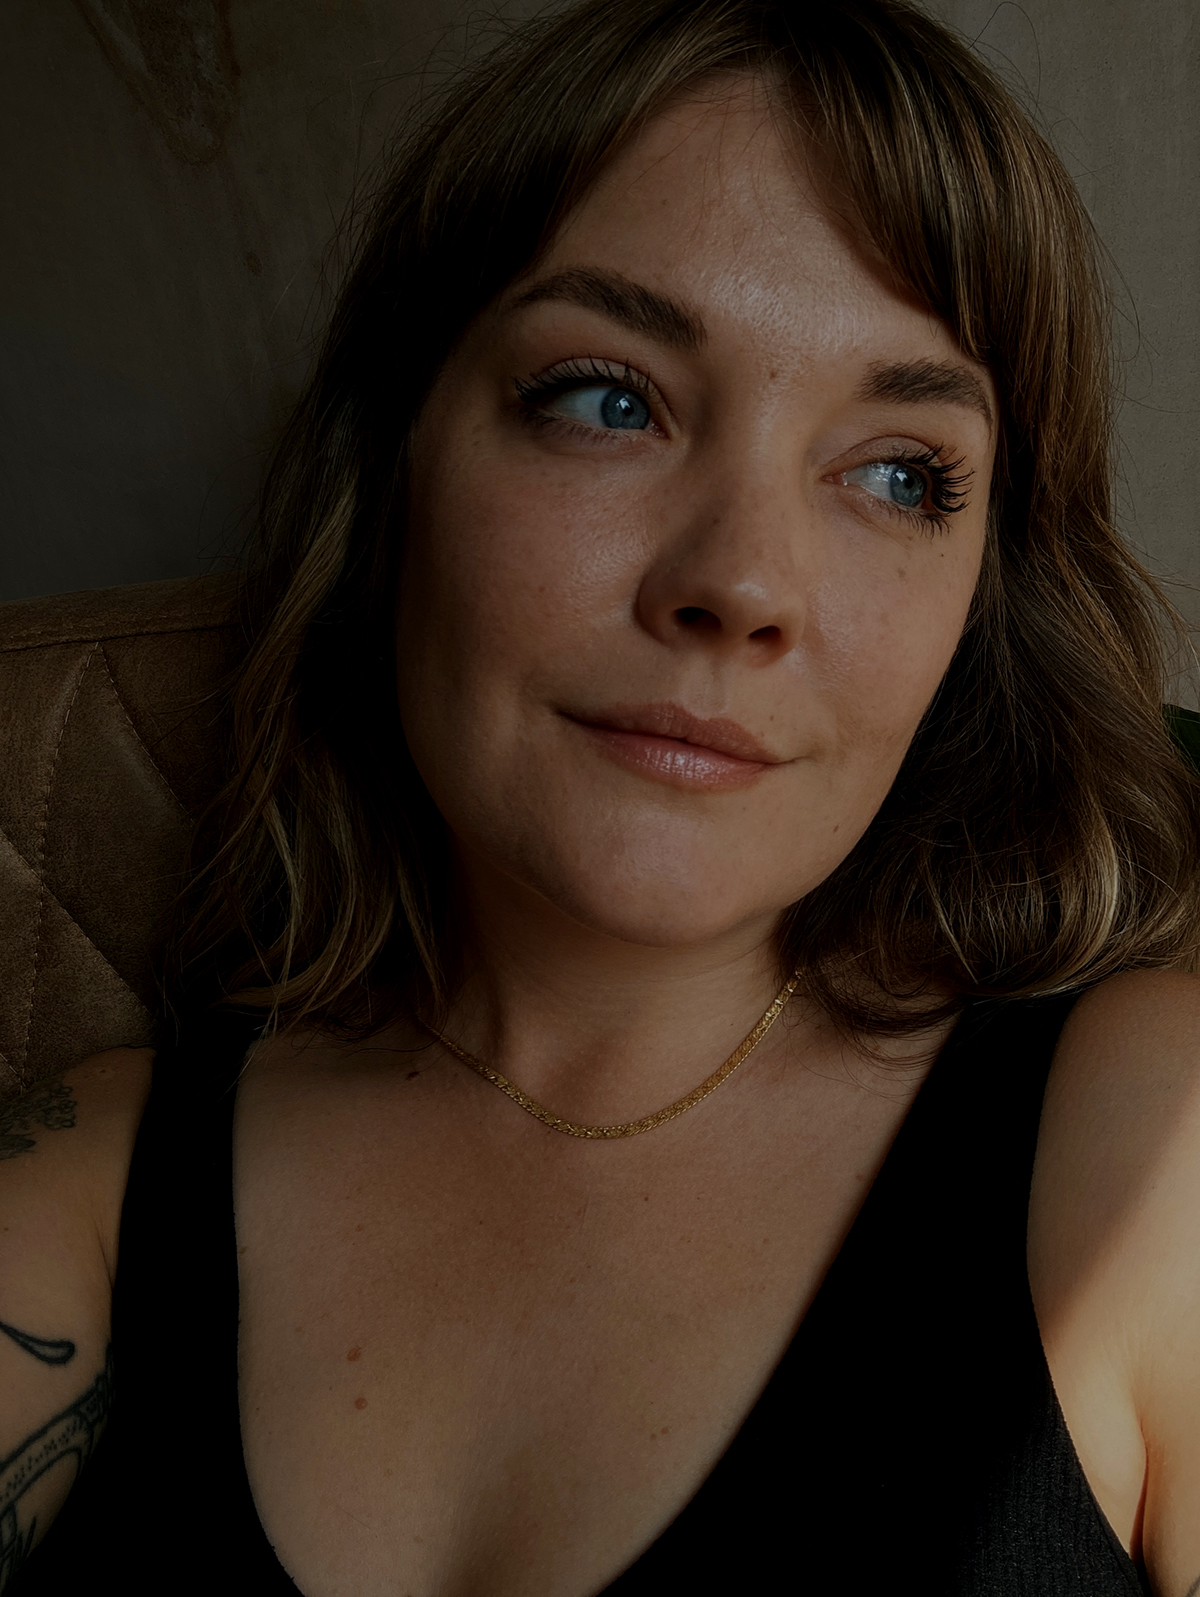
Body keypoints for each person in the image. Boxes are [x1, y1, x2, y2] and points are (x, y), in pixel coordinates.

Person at [4, 0, 1200, 1591]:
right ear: (395, 463)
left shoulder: (1158, 1145)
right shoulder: (93, 1183)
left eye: (900, 472)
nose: (742, 582)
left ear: (981, 595)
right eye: (608, 399)